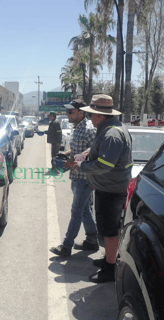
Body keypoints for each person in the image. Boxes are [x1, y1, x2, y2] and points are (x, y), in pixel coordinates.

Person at [68, 94, 133, 283]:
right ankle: (108, 259)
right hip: (108, 187)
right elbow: (97, 151)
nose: (90, 119)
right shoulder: (109, 129)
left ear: (99, 116)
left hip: (111, 190)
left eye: (91, 115)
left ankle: (110, 269)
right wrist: (83, 155)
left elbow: (104, 165)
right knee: (107, 229)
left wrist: (80, 166)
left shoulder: (111, 134)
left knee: (110, 231)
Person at [50, 99, 98, 257]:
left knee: (76, 211)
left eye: (70, 112)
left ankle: (66, 246)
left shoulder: (89, 129)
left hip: (85, 177)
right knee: (84, 210)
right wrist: (66, 154)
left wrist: (74, 161)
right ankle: (92, 240)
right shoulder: (77, 127)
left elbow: (92, 151)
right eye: (67, 112)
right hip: (76, 176)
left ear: (81, 112)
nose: (67, 114)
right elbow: (78, 147)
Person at [45, 111, 62, 175]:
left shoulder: (56, 123)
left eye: (50, 116)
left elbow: (59, 133)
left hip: (56, 142)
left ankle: (56, 168)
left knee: (55, 155)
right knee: (53, 155)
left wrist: (58, 141)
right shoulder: (52, 122)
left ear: (53, 116)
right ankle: (53, 167)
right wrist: (46, 132)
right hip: (53, 142)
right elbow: (52, 132)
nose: (49, 117)